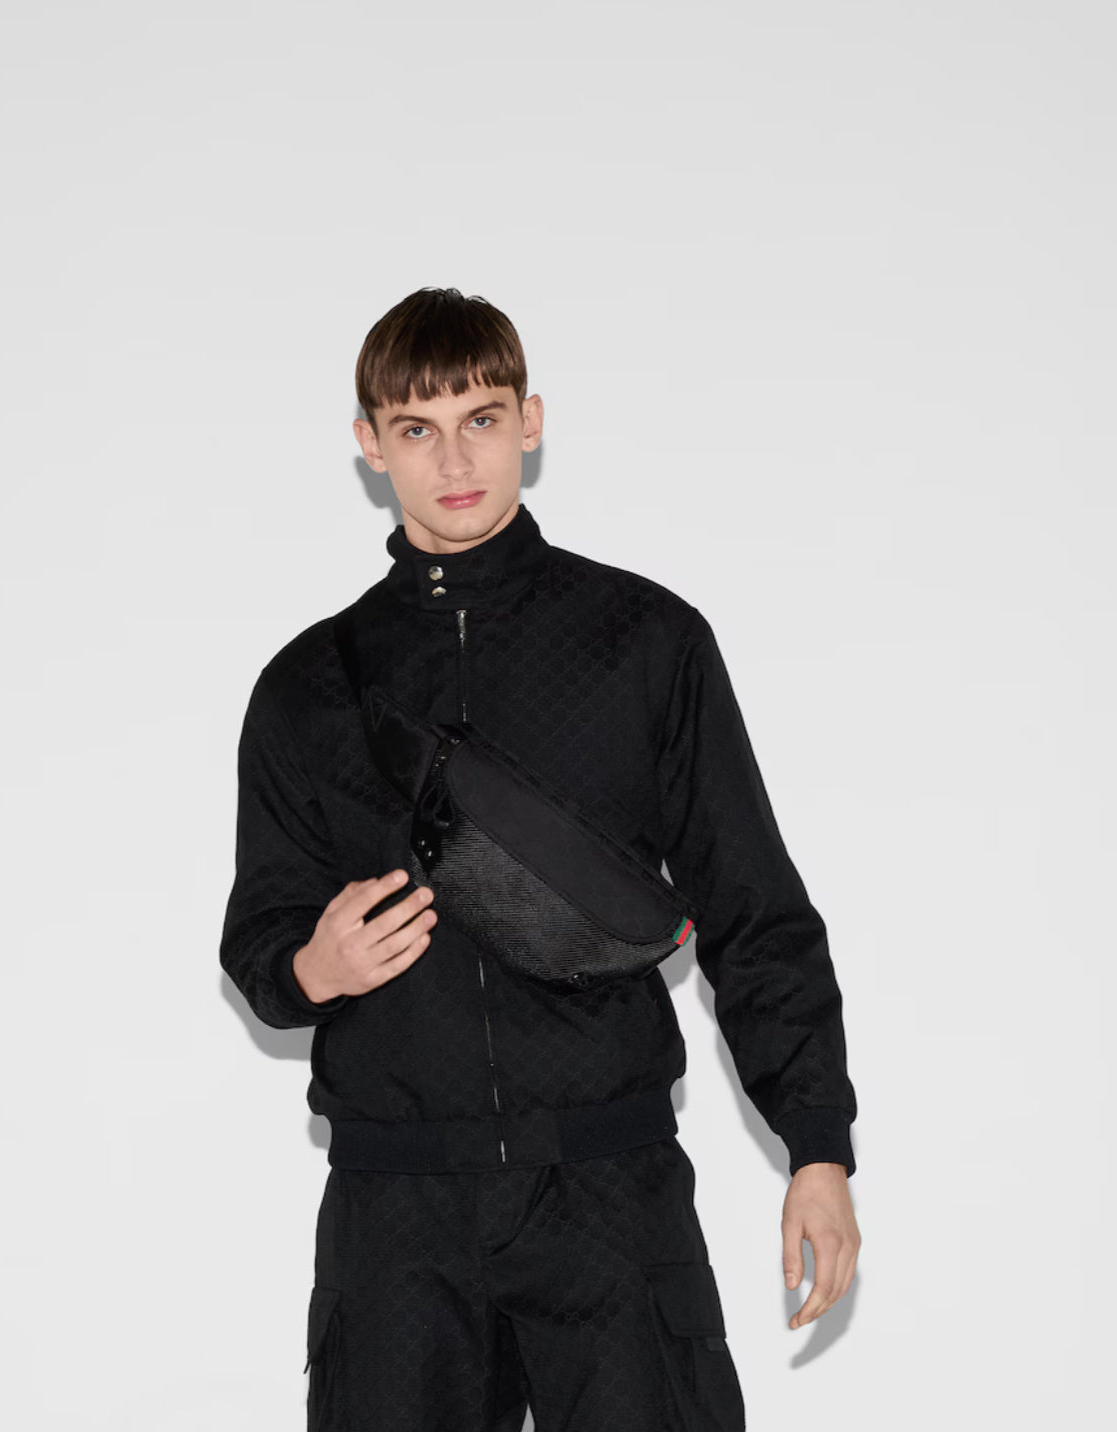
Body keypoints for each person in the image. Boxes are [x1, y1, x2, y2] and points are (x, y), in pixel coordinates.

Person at [219, 286, 861, 1431]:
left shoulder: (645, 641)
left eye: (481, 417)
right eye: (416, 428)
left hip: (608, 1194)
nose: (454, 458)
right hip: (396, 1209)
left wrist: (816, 1146)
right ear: (370, 444)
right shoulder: (307, 687)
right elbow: (261, 938)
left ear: (532, 421)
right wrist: (313, 967)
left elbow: (752, 904)